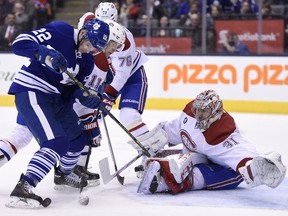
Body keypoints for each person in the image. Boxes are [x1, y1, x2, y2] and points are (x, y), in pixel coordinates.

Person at [0, 16, 126, 189]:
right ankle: (25, 186)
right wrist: (42, 52)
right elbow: (20, 42)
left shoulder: (87, 60)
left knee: (76, 138)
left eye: (94, 48)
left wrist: (84, 96)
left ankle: (64, 174)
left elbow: (71, 89)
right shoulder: (61, 31)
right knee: (51, 141)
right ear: (83, 33)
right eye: (88, 45)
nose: (88, 50)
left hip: (55, 99)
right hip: (34, 90)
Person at [130, 89, 286, 194]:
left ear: (215, 112)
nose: (198, 114)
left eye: (203, 111)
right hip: (198, 153)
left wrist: (256, 166)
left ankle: (165, 183)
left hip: (222, 167)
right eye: (197, 109)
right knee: (183, 154)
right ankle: (156, 163)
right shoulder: (190, 114)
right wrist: (156, 140)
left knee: (198, 176)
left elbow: (243, 155)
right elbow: (175, 129)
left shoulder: (224, 134)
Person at [80, 1, 150, 178]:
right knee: (90, 118)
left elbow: (122, 76)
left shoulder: (125, 40)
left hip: (131, 78)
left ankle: (151, 158)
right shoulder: (87, 22)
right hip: (105, 77)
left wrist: (108, 97)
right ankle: (77, 166)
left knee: (128, 116)